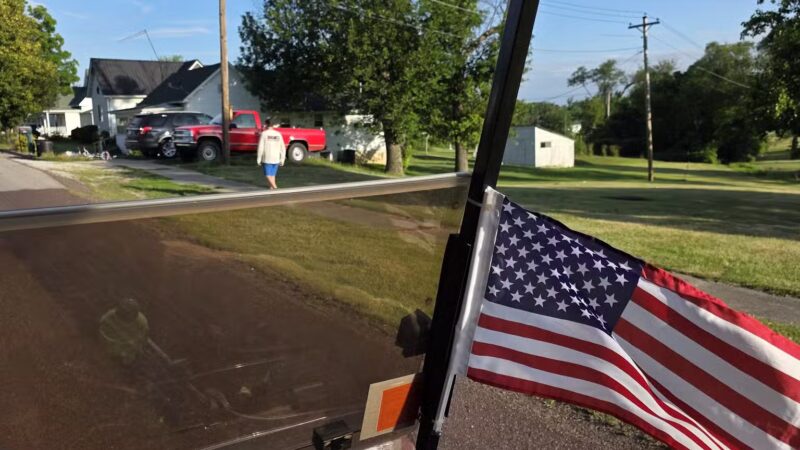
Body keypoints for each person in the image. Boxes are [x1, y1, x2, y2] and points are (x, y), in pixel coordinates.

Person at [99, 298, 149, 366]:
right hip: (111, 343)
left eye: (128, 313)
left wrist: (134, 347)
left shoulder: (142, 323)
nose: (126, 315)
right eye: (124, 312)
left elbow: (142, 339)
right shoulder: (111, 315)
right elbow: (102, 327)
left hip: (128, 347)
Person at [256, 117, 286, 189]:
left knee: (267, 175)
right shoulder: (278, 134)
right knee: (273, 175)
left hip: (267, 158)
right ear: (273, 125)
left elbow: (260, 147)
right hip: (276, 158)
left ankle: (276, 189)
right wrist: (282, 159)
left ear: (266, 124)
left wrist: (259, 158)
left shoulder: (264, 134)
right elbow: (283, 148)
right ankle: (271, 189)